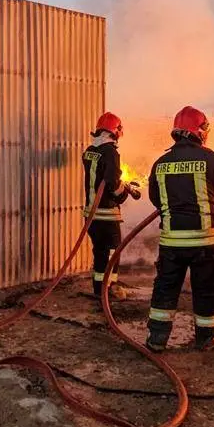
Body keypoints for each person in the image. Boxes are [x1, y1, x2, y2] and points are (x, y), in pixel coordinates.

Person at [145, 106, 214, 352]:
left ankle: (157, 339)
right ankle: (207, 338)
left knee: (165, 288)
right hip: (204, 242)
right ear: (199, 131)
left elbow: (156, 199)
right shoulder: (208, 158)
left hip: (172, 243)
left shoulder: (161, 163)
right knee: (206, 289)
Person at [82, 112, 140, 300]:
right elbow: (112, 185)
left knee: (100, 252)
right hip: (106, 214)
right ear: (115, 131)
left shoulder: (90, 151)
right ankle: (110, 289)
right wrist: (124, 194)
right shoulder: (111, 152)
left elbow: (102, 177)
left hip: (91, 215)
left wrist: (124, 184)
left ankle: (99, 289)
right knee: (112, 253)